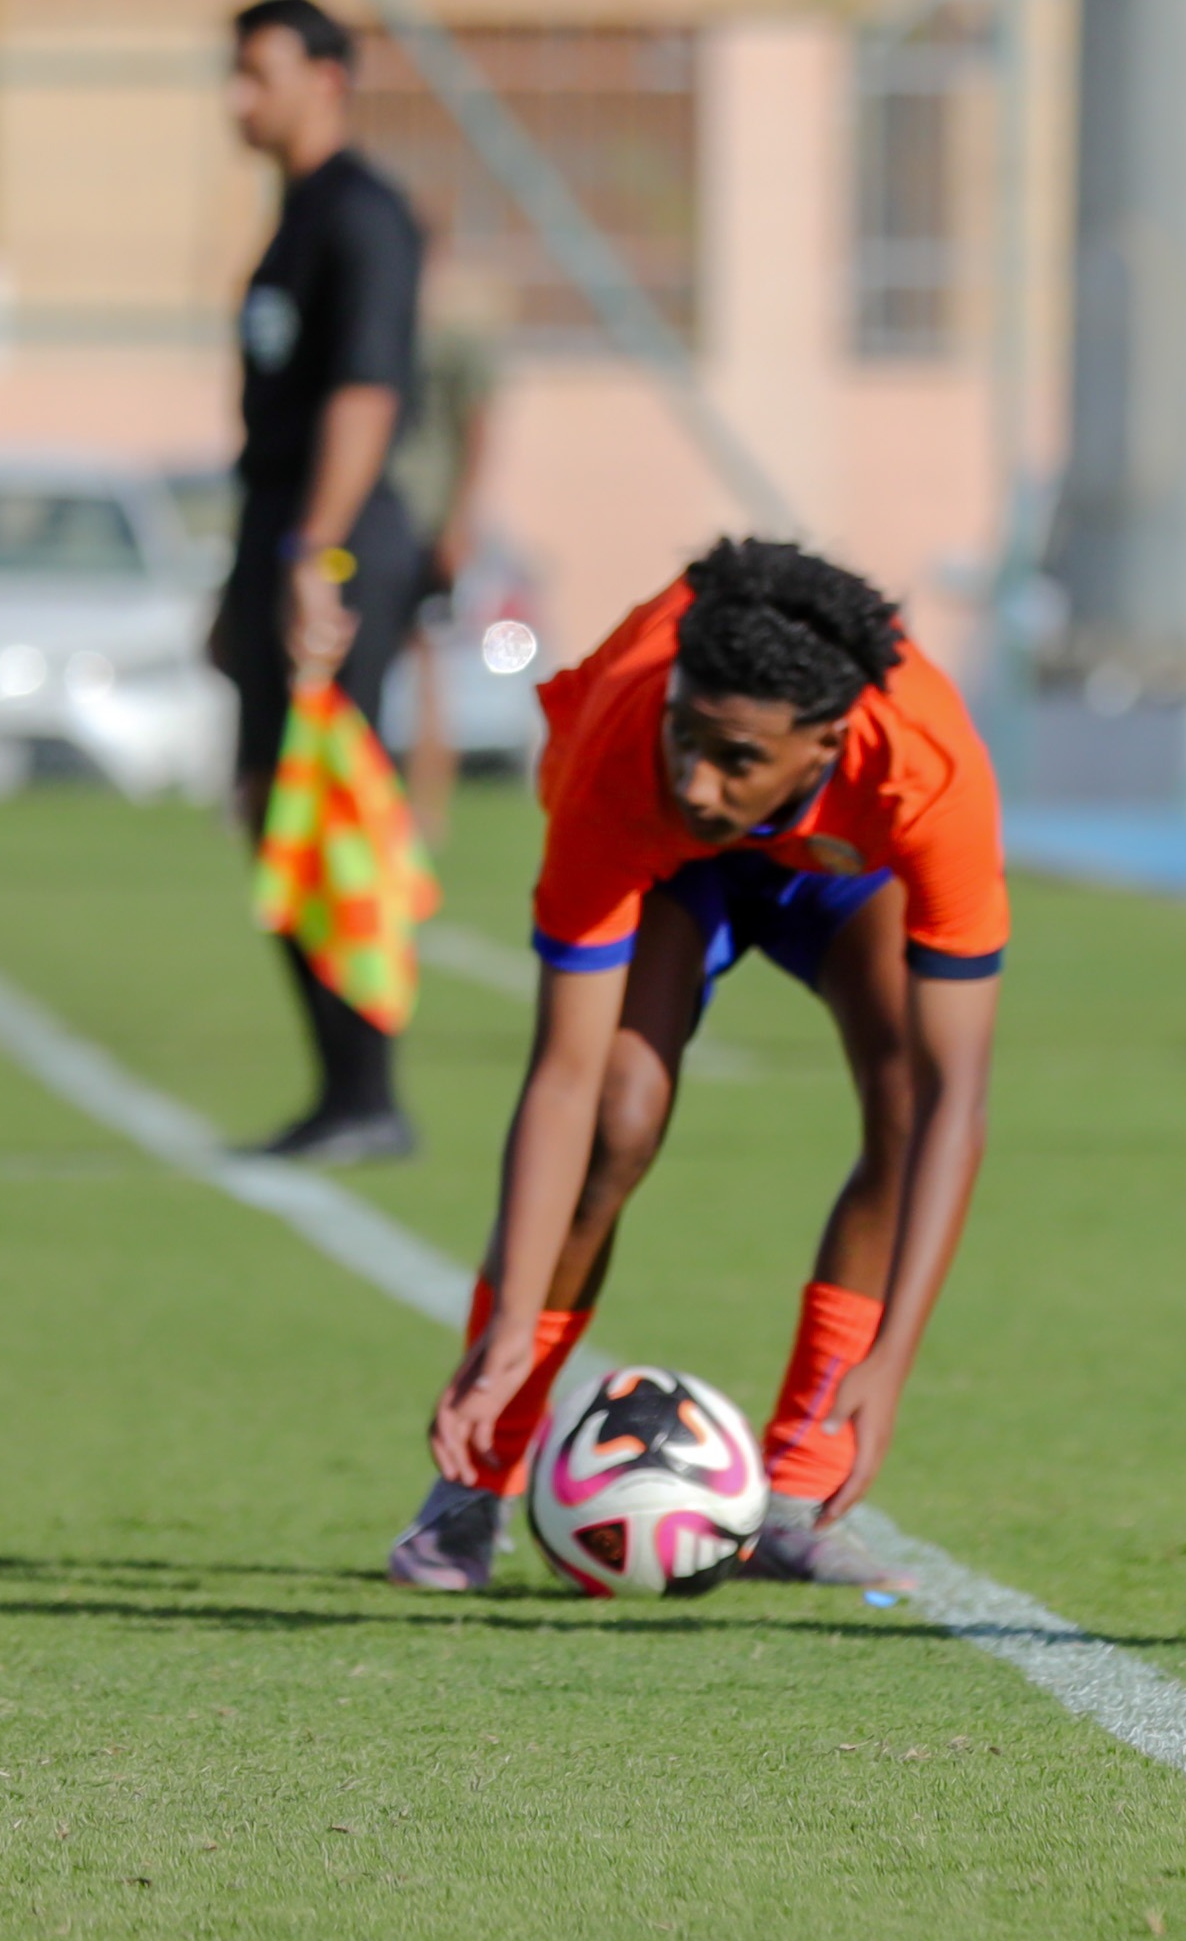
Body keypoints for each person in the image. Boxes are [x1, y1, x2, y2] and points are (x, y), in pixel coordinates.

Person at [385, 538, 1006, 1594]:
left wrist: (888, 1361)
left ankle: (798, 1492)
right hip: (676, 874)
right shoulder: (628, 755)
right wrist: (501, 1332)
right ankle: (474, 1485)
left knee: (902, 1093)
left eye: (733, 757)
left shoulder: (926, 766)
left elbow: (957, 1095)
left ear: (827, 739)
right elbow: (563, 1079)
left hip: (839, 872)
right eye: (687, 735)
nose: (698, 780)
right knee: (617, 1120)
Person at [212, 0, 431, 1166]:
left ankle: (368, 1090)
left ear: (327, 79)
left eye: (259, 73)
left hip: (335, 544)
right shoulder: (294, 216)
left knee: (331, 811)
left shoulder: (364, 216)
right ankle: (337, 1087)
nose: (239, 98)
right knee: (267, 803)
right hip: (279, 535)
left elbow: (364, 393)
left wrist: (314, 555)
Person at [387, 225, 506, 842]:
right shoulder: (370, 327)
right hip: (370, 520)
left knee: (428, 663)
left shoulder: (452, 341)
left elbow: (478, 429)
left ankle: (427, 811)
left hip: (424, 523)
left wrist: (460, 522)